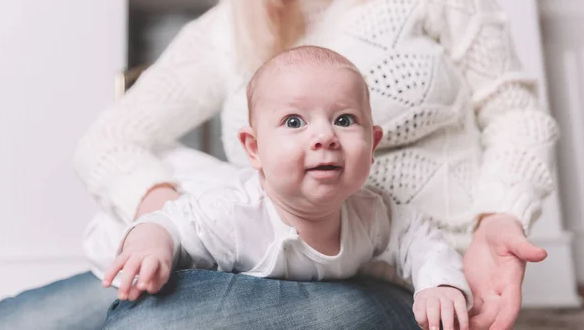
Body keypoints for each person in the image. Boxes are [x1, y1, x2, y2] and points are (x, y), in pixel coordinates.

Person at [0, 0, 557, 329]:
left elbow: (514, 109)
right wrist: (166, 224)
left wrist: (498, 216)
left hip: (410, 284)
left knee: (161, 322)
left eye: (345, 120)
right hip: (263, 257)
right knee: (24, 319)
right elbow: (108, 138)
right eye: (293, 121)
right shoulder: (227, 30)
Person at [103, 46, 473, 330]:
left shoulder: (376, 214)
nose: (324, 136)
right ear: (254, 149)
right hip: (118, 242)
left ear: (372, 145)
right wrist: (150, 242)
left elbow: (422, 243)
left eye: (344, 119)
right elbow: (171, 222)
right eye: (294, 121)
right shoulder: (231, 213)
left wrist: (440, 285)